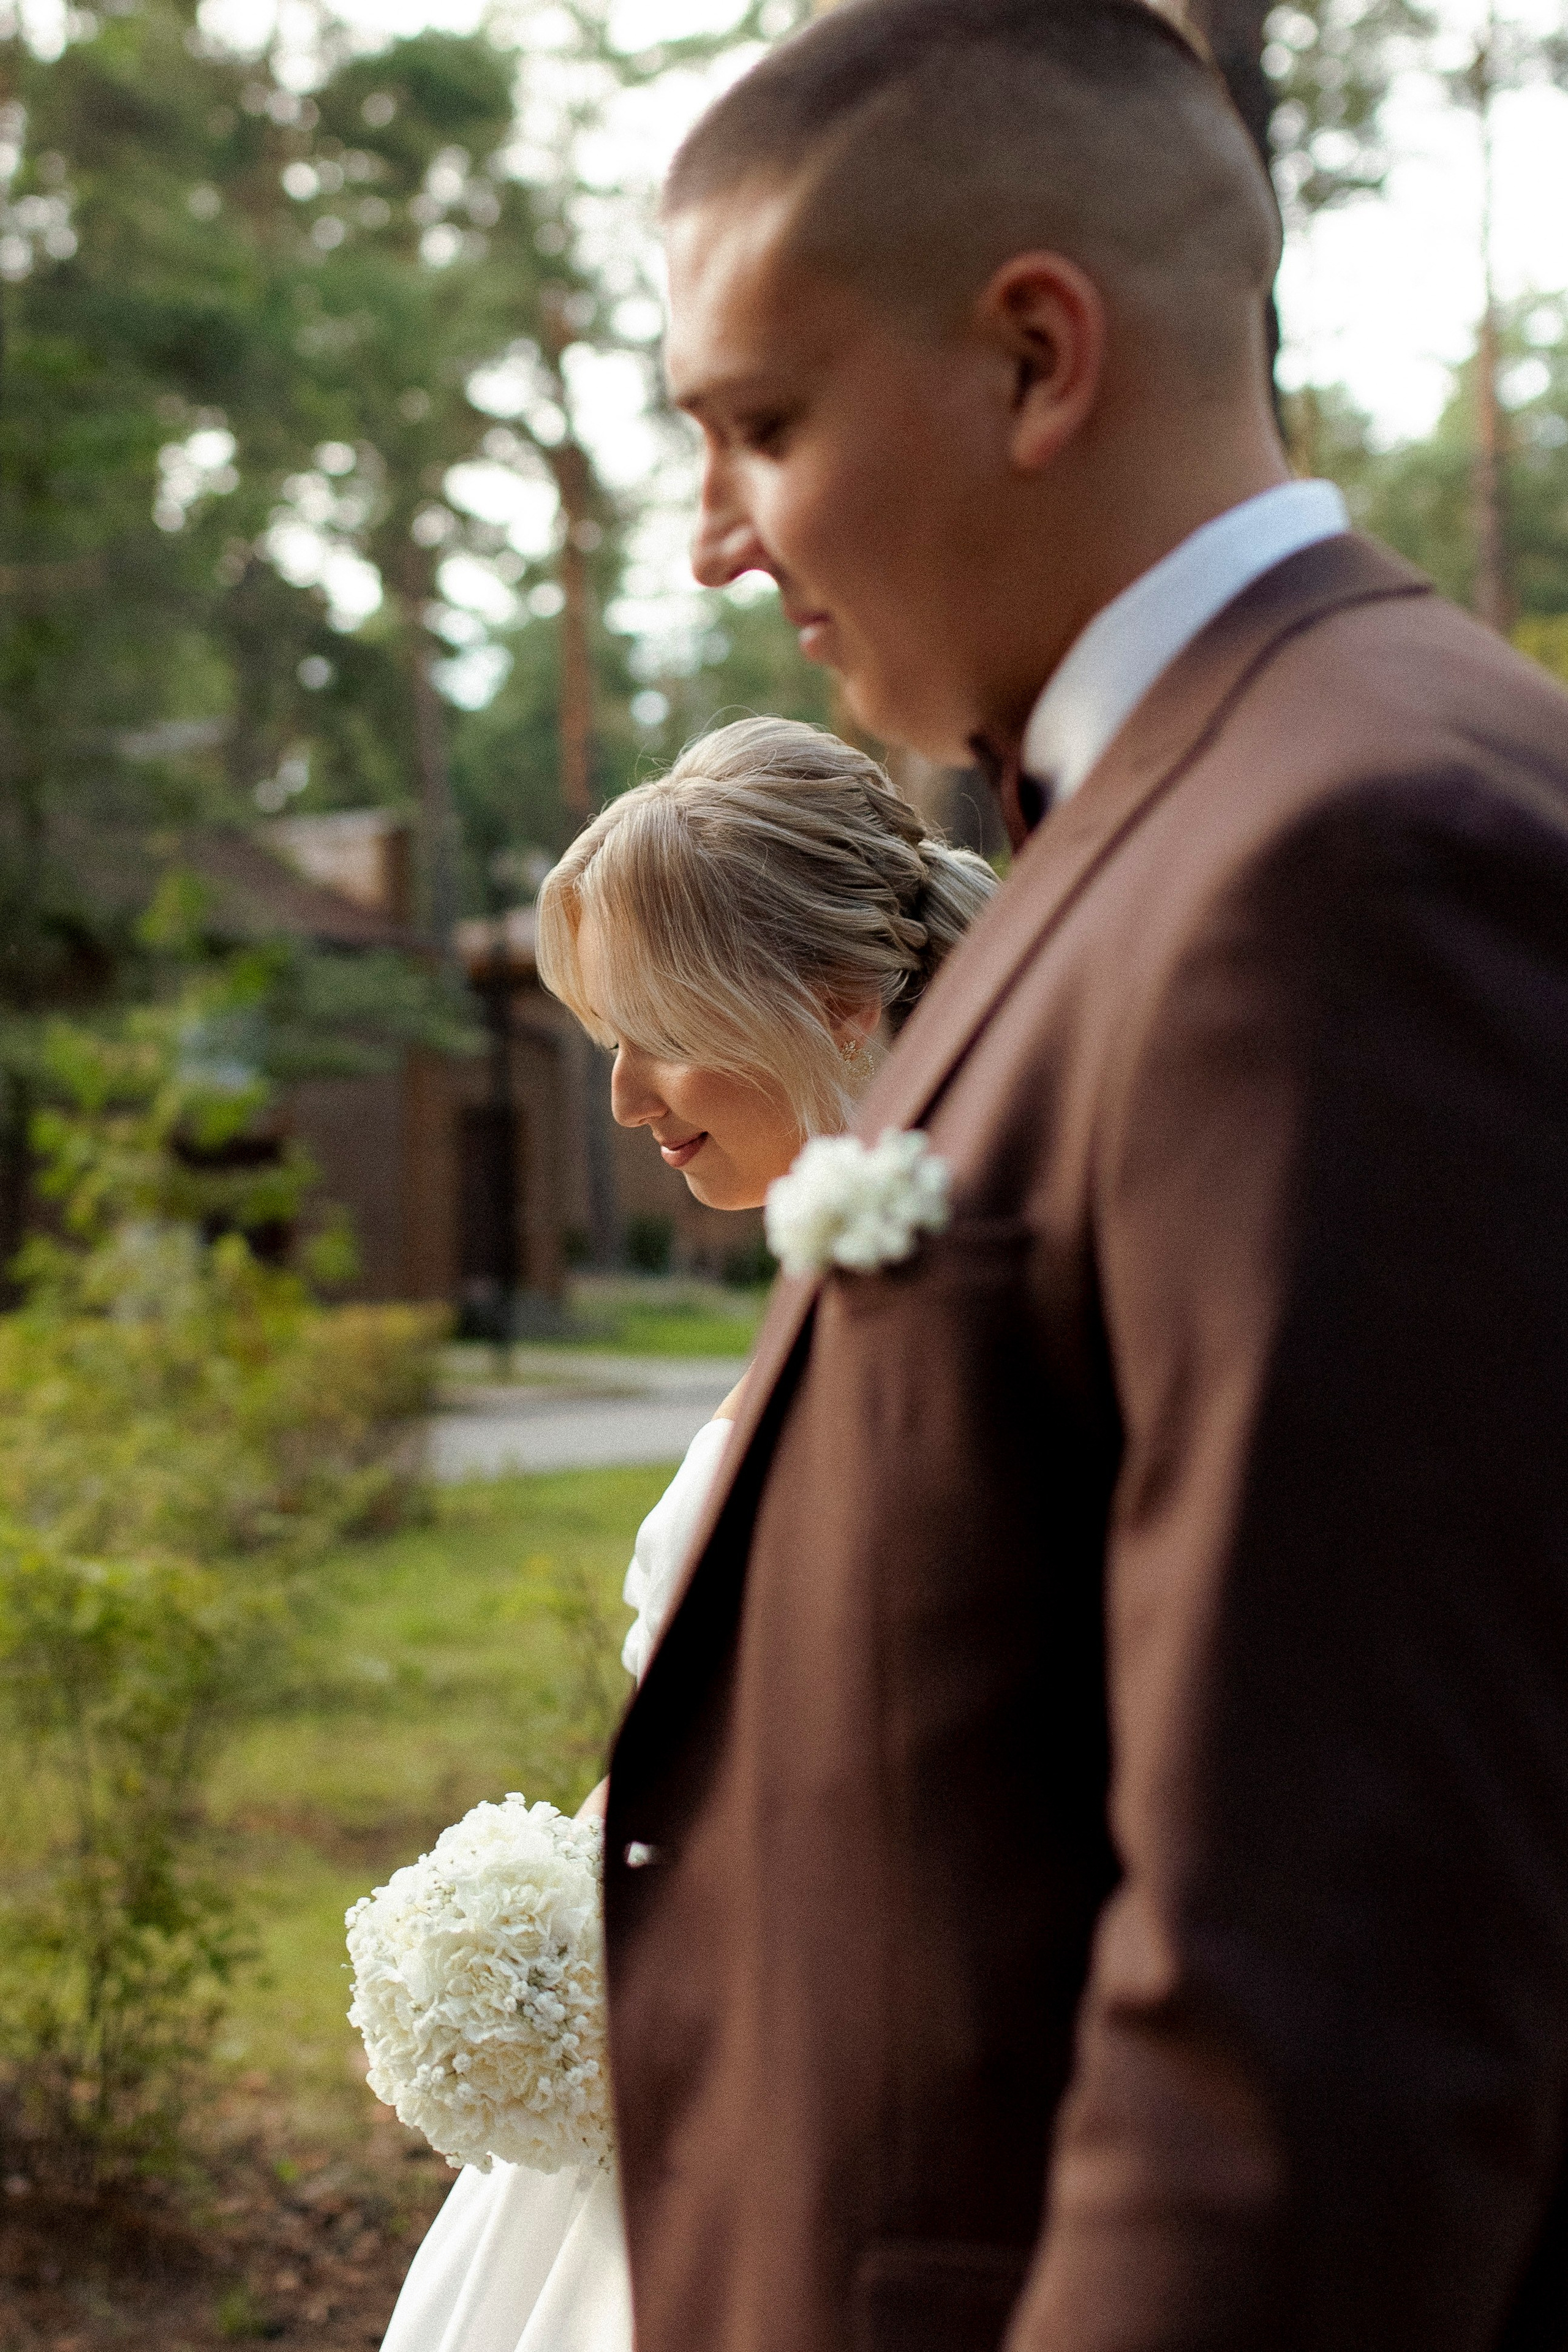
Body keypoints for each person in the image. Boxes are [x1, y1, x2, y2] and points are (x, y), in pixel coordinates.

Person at [601, 4, 1568, 2350]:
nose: (717, 538)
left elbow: (1323, 1988)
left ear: (1039, 357)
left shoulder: (1355, 864)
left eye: (763, 427)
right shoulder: (1183, 814)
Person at [376, 715, 996, 2352]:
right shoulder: (850, 1282)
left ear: (839, 999)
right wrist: (538, 1919)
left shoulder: (951, 1322)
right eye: (605, 1038)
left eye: (655, 1033)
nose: (624, 1095)